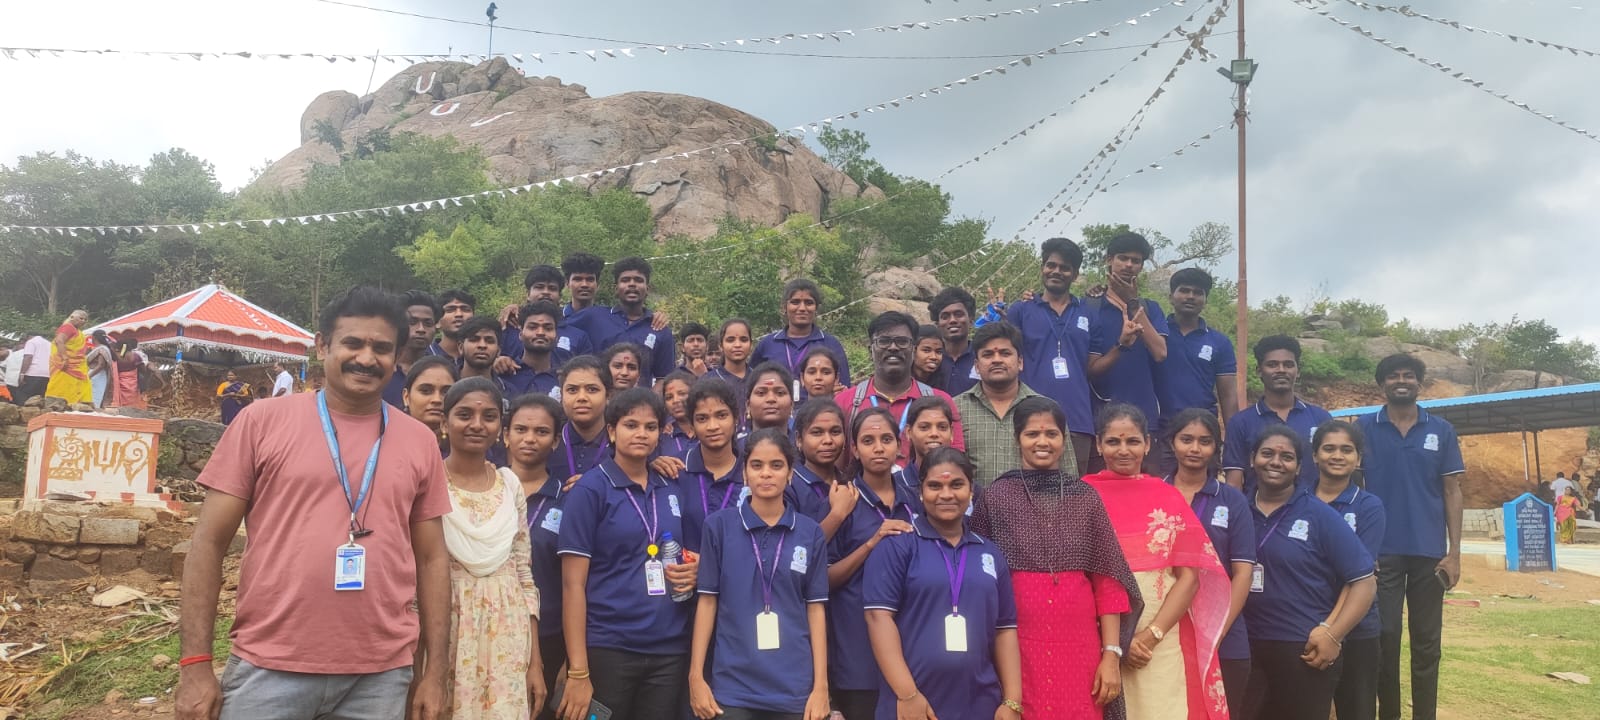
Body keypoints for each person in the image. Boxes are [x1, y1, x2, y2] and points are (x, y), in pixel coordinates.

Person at [176, 287, 453, 720]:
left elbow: (433, 559)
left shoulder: (420, 441)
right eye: (353, 343)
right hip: (269, 665)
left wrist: (435, 674)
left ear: (397, 356)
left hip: (380, 676)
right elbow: (208, 543)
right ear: (322, 345)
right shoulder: (260, 422)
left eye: (382, 348)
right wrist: (195, 665)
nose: (366, 358)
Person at [970, 396, 1141, 718]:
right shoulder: (996, 497)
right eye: (1032, 434)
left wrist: (1111, 655)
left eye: (1051, 434)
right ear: (1017, 439)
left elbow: (1108, 583)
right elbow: (977, 576)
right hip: (1016, 646)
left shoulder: (1085, 498)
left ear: (1064, 440)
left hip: (1080, 649)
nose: (1042, 442)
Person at [555, 388, 698, 720]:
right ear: (611, 431)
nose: (641, 434)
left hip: (668, 648)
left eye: (650, 427)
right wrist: (578, 669)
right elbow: (572, 586)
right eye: (631, 425)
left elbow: (684, 553)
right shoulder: (590, 490)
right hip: (610, 646)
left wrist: (697, 568)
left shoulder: (670, 486)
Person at [1083, 403, 1231, 718]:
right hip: (1098, 639)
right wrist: (1115, 643)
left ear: (1148, 444)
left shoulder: (1167, 497)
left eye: (1133, 441)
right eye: (1113, 441)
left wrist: (1150, 636)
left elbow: (1189, 579)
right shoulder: (1083, 496)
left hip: (1158, 641)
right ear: (1098, 444)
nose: (1124, 450)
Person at [865, 447, 1023, 720]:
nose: (946, 494)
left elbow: (1005, 630)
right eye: (935, 486)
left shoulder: (989, 553)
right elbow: (878, 618)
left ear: (971, 491)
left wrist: (1012, 701)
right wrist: (908, 694)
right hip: (913, 704)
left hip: (980, 704)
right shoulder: (898, 546)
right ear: (921, 492)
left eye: (957, 485)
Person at [688, 429, 832, 720]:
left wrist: (820, 687)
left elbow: (815, 609)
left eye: (776, 465)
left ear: (789, 474)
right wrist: (696, 676)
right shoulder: (718, 527)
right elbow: (707, 602)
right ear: (744, 472)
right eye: (757, 465)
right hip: (733, 685)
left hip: (793, 686)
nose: (766, 474)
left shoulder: (810, 532)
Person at [1353, 354, 1464, 720]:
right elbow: (1353, 490)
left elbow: (1452, 490)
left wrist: (1454, 553)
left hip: (1429, 553)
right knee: (1384, 638)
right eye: (1393, 376)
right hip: (1379, 553)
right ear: (1381, 384)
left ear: (1419, 383)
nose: (1401, 381)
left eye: (1408, 375)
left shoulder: (1441, 430)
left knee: (1427, 643)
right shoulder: (1364, 428)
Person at [1243, 426, 1377, 720]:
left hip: (1302, 650)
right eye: (1267, 453)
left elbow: (1364, 582)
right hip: (1244, 648)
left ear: (1299, 467)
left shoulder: (1319, 514)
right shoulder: (1237, 509)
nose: (1276, 462)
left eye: (1287, 457)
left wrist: (1333, 634)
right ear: (1252, 459)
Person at [438, 378, 544, 719]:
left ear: (500, 427)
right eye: (464, 415)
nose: (477, 424)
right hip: (448, 626)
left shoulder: (509, 484)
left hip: (507, 632)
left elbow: (523, 573)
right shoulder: (428, 482)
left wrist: (535, 661)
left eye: (489, 416)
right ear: (444, 423)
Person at [1164, 408, 1256, 718]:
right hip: (1164, 629)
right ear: (1171, 442)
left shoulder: (1231, 499)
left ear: (1216, 447)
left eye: (1204, 441)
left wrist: (1216, 631)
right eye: (1186, 439)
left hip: (1223, 635)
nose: (1194, 448)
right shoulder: (1154, 492)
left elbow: (1243, 573)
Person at [827, 407, 918, 720]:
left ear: (899, 445)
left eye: (886, 440)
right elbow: (824, 579)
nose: (878, 448)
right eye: (868, 441)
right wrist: (871, 543)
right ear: (854, 449)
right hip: (857, 655)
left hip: (911, 648)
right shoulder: (844, 501)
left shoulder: (916, 501)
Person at [1311, 420, 1387, 720]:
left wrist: (1331, 631)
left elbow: (1358, 577)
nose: (1337, 456)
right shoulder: (1296, 500)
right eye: (1328, 448)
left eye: (1346, 450)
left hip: (1356, 629)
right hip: (1305, 626)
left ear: (1358, 458)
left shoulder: (1368, 506)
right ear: (1315, 455)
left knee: (1356, 710)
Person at [1004, 237, 1097, 475]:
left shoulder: (1088, 312)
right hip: (1029, 419)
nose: (1056, 271)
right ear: (1042, 268)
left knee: (1073, 492)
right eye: (1051, 265)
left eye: (1064, 267)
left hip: (1077, 420)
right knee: (1027, 490)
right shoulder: (1021, 310)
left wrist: (1122, 344)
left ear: (1075, 274)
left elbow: (1093, 364)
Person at [504, 393, 569, 720]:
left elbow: (579, 582)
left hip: (550, 636)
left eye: (541, 432)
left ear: (555, 441)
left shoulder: (570, 500)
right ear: (505, 435)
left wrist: (573, 661)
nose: (530, 438)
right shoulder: (487, 490)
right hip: (492, 630)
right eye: (521, 429)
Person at [954, 322, 1076, 487]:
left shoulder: (1047, 410)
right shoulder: (956, 409)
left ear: (1020, 362)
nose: (997, 360)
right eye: (988, 355)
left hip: (1037, 503)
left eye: (1005, 353)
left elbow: (1068, 474)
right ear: (976, 366)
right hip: (974, 504)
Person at [834, 311, 966, 462]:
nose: (893, 347)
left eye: (902, 341)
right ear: (871, 350)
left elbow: (955, 462)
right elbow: (837, 466)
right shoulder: (845, 402)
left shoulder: (941, 402)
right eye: (884, 341)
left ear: (914, 349)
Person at [1085, 234, 1169, 450]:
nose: (1129, 265)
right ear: (1109, 260)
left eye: (1136, 261)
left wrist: (1132, 304)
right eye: (1123, 258)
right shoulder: (1089, 307)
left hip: (1144, 419)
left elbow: (1160, 353)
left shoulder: (1151, 308)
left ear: (1141, 266)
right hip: (1099, 418)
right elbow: (1090, 368)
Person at [1223, 336, 1333, 493]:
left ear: (1298, 371)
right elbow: (1234, 484)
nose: (1281, 370)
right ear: (1259, 371)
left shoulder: (1321, 419)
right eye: (1272, 365)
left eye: (1288, 365)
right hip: (1256, 508)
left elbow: (1332, 474)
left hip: (1312, 507)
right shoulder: (1240, 423)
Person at [1158, 269, 1240, 474]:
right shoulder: (1156, 334)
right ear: (1171, 297)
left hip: (1203, 432)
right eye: (1184, 290)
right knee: (1161, 490)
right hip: (1160, 431)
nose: (1191, 296)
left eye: (1198, 292)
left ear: (1205, 300)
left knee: (1203, 491)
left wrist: (1234, 441)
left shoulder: (1219, 342)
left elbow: (1228, 395)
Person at [568, 257, 676, 387]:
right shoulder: (593, 316)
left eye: (638, 280)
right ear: (616, 288)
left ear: (647, 288)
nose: (632, 284)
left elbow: (663, 378)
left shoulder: (659, 329)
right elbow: (555, 329)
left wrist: (648, 398)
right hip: (599, 397)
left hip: (639, 398)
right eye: (625, 280)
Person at [678, 379, 746, 554]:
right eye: (702, 418)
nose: (713, 426)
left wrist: (707, 566)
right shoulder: (675, 469)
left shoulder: (751, 472)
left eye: (721, 415)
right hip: (685, 569)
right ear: (692, 425)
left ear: (736, 419)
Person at [750, 278, 852, 389]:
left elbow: (844, 389)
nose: (802, 308)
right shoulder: (767, 344)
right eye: (795, 302)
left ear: (816, 308)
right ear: (784, 307)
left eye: (809, 303)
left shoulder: (831, 344)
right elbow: (751, 384)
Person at [787, 398, 856, 541]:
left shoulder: (851, 484)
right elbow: (798, 550)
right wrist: (837, 514)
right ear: (799, 439)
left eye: (835, 432)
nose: (828, 440)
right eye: (817, 433)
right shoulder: (790, 486)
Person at [498, 265, 595, 366]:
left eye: (552, 288)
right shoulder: (508, 327)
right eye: (539, 287)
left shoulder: (579, 336)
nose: (546, 292)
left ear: (559, 296)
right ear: (528, 294)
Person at [547, 356, 613, 488]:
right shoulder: (547, 441)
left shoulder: (623, 445)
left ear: (608, 396)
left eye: (592, 389)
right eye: (572, 390)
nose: (581, 397)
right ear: (562, 395)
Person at [383, 290, 442, 409]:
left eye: (428, 323)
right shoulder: (381, 367)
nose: (421, 329)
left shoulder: (442, 371)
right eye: (412, 322)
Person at [504, 301, 563, 400]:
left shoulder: (564, 378)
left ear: (557, 336)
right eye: (532, 327)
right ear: (520, 334)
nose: (540, 333)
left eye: (548, 328)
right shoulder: (504, 373)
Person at [928, 286, 980, 396]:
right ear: (938, 325)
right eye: (945, 316)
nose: (952, 320)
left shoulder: (982, 357)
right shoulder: (929, 359)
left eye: (958, 314)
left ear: (971, 321)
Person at [403, 356, 459, 453]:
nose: (437, 400)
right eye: (425, 391)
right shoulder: (388, 441)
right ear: (406, 397)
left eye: (446, 392)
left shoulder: (465, 446)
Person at [899, 396, 953, 496]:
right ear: (908, 432)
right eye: (924, 427)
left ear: (952, 433)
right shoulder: (895, 486)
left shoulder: (968, 488)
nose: (934, 434)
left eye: (942, 427)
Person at [45, 309, 93, 404]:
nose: (83, 321)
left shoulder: (78, 331)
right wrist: (65, 358)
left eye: (85, 319)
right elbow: (59, 341)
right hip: (66, 366)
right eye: (81, 318)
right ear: (72, 317)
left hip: (76, 366)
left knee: (79, 387)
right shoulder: (68, 327)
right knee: (62, 388)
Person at [745, 363, 795, 435]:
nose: (771, 399)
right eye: (761, 393)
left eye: (780, 393)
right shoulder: (734, 442)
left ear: (791, 405)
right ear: (748, 405)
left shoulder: (803, 441)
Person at [656, 370, 697, 459]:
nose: (675, 400)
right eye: (669, 397)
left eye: (682, 394)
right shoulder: (661, 437)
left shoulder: (709, 430)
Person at [706, 318, 755, 388]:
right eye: (730, 340)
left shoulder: (759, 379)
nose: (737, 345)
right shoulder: (708, 380)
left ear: (751, 344)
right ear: (721, 346)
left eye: (743, 340)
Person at [433, 290, 477, 361]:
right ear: (437, 322)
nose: (459, 314)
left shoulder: (484, 357)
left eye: (465, 309)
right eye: (450, 310)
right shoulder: (423, 356)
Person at [560, 253, 605, 319]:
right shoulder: (555, 320)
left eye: (590, 279)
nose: (584, 285)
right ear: (567, 283)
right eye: (577, 279)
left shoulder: (609, 318)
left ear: (597, 284)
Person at [15, 331, 51, 405]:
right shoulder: (49, 344)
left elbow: (28, 357)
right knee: (39, 398)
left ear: (28, 336)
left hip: (32, 374)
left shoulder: (31, 342)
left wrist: (22, 374)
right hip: (47, 374)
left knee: (24, 397)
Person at [113, 338, 150, 409]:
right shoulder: (135, 356)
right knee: (134, 400)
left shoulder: (115, 357)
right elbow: (143, 369)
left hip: (120, 383)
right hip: (133, 383)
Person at [911, 324, 949, 391]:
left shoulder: (944, 382)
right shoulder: (901, 382)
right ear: (913, 351)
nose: (934, 357)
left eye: (938, 352)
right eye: (926, 350)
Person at [88, 330, 117, 408]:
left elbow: (101, 365)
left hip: (97, 376)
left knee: (95, 398)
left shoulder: (102, 349)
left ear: (94, 338)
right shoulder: (101, 348)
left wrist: (89, 376)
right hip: (97, 376)